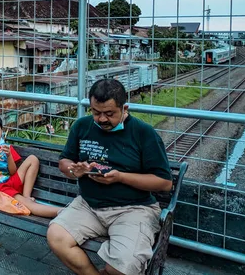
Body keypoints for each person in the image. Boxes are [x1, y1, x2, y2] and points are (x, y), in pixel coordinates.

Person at [47, 79, 172, 275]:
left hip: (134, 209)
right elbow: (65, 161)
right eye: (96, 112)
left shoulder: (143, 133)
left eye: (109, 113)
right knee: (56, 236)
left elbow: (164, 183)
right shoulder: (82, 126)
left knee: (122, 266)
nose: (102, 119)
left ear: (125, 108)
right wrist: (74, 169)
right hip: (89, 205)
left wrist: (120, 177)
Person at [0, 113, 61, 218]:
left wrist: (9, 156)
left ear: (2, 130)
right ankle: (61, 212)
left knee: (33, 159)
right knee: (29, 205)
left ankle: (26, 196)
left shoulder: (6, 147)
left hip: (9, 181)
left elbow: (13, 172)